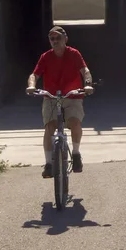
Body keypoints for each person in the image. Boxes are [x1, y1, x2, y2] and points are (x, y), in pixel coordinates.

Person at [26, 26, 94, 178]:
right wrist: (31, 86)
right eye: (52, 39)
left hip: (72, 96)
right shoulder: (45, 57)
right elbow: (34, 75)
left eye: (58, 38)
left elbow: (85, 71)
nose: (55, 41)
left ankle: (76, 154)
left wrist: (87, 84)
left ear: (65, 39)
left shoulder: (74, 54)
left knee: (75, 123)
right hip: (51, 97)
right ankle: (49, 164)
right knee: (49, 128)